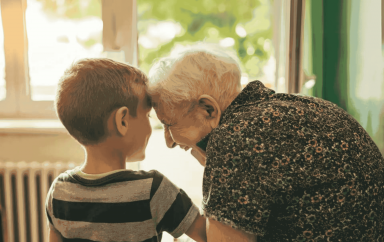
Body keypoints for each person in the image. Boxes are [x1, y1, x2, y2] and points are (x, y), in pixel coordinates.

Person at [148, 43, 384, 241]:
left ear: (208, 109)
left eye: (169, 124)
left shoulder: (235, 138)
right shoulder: (305, 106)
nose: (168, 141)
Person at [45, 58, 207, 242]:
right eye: (147, 114)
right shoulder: (153, 190)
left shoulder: (60, 192)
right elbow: (211, 235)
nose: (150, 125)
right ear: (122, 121)